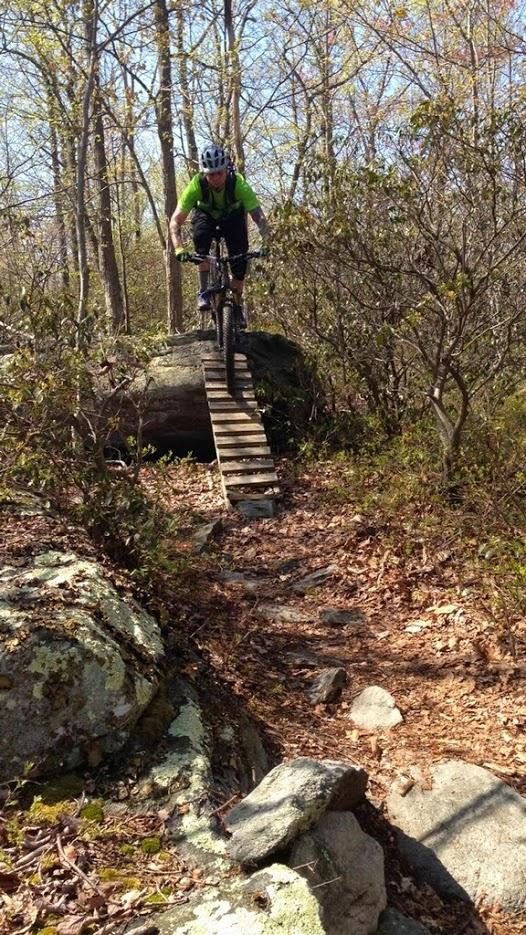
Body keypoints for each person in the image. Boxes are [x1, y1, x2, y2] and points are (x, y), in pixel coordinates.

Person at [170, 144, 270, 325]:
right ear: (204, 174)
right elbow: (175, 221)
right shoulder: (196, 185)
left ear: (226, 170)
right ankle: (203, 291)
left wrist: (266, 242)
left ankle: (237, 307)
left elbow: (258, 216)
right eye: (210, 174)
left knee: (239, 262)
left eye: (219, 173)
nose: (215, 178)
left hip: (233, 217)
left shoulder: (238, 184)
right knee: (201, 244)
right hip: (206, 215)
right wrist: (179, 248)